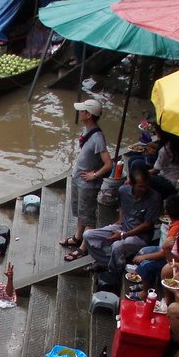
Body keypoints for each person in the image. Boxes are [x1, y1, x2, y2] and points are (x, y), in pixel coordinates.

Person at [78, 163, 162, 276]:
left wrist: (123, 235)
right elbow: (121, 206)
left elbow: (148, 224)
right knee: (88, 235)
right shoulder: (123, 191)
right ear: (132, 184)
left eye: (146, 185)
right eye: (141, 186)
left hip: (140, 236)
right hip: (123, 227)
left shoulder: (154, 198)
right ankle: (105, 263)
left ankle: (114, 272)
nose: (145, 189)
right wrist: (120, 220)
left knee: (118, 246)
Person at [62, 99, 113, 259]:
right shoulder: (87, 130)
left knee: (88, 215)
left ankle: (84, 247)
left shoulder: (98, 137)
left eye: (83, 110)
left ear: (89, 115)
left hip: (87, 184)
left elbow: (108, 164)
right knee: (79, 212)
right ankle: (78, 236)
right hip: (79, 179)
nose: (80, 112)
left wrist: (94, 175)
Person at [133, 193, 179, 292]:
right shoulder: (175, 224)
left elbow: (163, 254)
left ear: (167, 212)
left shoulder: (176, 229)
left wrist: (144, 258)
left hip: (169, 258)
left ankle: (145, 291)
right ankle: (144, 282)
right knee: (143, 251)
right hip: (165, 251)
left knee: (145, 264)